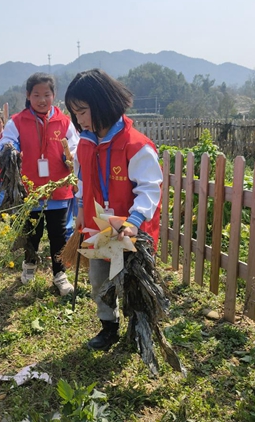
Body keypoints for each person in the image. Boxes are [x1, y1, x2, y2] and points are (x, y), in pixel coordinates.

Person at [66, 69, 162, 351]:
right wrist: (81, 208)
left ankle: (139, 328)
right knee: (98, 279)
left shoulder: (136, 146)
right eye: (75, 113)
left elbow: (149, 188)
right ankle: (108, 326)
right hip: (98, 228)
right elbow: (81, 179)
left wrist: (133, 221)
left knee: (132, 283)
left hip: (129, 232)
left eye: (83, 112)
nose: (79, 120)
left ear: (103, 104)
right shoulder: (85, 142)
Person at [0, 72, 79, 295]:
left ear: (54, 95)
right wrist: (8, 149)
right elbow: (5, 143)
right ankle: (30, 265)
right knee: (32, 232)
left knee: (58, 234)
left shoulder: (64, 122)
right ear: (28, 96)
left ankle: (59, 274)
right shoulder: (17, 121)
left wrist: (70, 156)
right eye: (36, 95)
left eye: (47, 94)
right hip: (30, 191)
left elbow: (75, 148)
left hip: (58, 191)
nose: (42, 100)